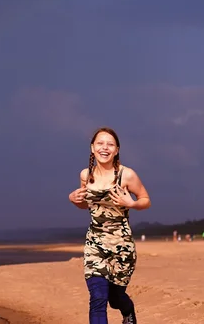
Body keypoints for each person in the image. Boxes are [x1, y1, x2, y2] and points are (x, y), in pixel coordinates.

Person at [68, 127, 151, 324]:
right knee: (97, 298)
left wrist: (131, 203)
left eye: (110, 144)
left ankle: (128, 310)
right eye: (100, 143)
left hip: (121, 246)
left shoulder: (127, 175)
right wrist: (73, 199)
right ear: (92, 147)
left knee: (114, 299)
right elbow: (85, 204)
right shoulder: (85, 175)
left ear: (116, 150)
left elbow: (145, 200)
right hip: (95, 244)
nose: (104, 148)